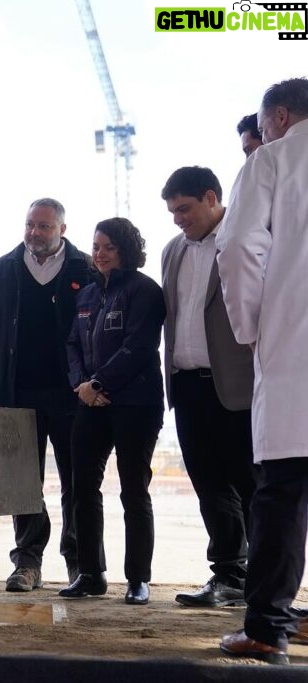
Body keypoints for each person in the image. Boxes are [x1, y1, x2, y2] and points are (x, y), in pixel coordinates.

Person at [217, 77, 308, 666]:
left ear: (277, 117)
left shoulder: (273, 160)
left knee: (282, 493)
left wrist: (251, 330)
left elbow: (241, 247)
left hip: (294, 351)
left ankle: (267, 630)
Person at [0, 198, 92, 593]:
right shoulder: (2, 271)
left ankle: (80, 565)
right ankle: (27, 563)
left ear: (62, 231)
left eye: (44, 227)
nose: (34, 233)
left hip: (71, 395)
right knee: (21, 482)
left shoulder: (84, 269)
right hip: (15, 392)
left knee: (78, 481)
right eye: (30, 225)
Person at [159, 166, 256, 609]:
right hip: (187, 388)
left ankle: (267, 581)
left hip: (237, 386)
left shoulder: (245, 239)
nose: (178, 219)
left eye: (184, 209)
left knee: (252, 487)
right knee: (210, 486)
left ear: (212, 198)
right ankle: (228, 577)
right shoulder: (172, 251)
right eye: (172, 211)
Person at [59, 218, 165, 606]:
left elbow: (138, 348)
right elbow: (72, 345)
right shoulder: (86, 295)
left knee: (134, 491)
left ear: (126, 250)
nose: (99, 254)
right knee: (82, 488)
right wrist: (82, 386)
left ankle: (138, 578)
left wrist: (99, 383)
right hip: (91, 403)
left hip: (136, 403)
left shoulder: (145, 291)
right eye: (96, 246)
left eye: (108, 247)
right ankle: (90, 573)